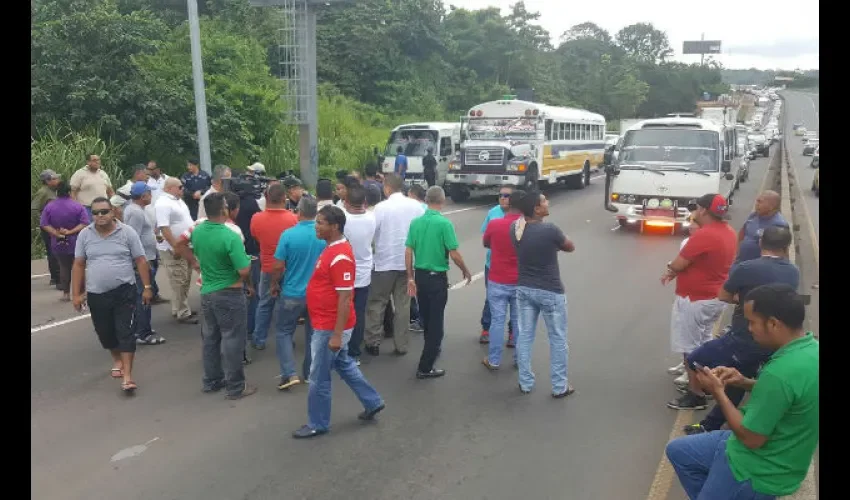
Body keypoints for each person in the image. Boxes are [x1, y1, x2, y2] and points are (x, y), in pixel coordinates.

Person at [666, 284, 818, 499]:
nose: (749, 328)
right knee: (679, 451)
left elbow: (751, 439)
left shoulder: (780, 373)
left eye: (752, 322)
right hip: (777, 454)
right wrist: (743, 381)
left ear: (773, 323)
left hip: (755, 468)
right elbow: (788, 394)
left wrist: (718, 392)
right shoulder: (810, 349)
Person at [681, 226, 799, 432]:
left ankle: (698, 396)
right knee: (736, 381)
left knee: (695, 359)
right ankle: (709, 425)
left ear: (761, 243)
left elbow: (723, 295)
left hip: (745, 336)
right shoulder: (793, 272)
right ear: (787, 246)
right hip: (774, 341)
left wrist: (741, 299)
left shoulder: (746, 268)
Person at [292, 205, 385, 439]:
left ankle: (318, 423)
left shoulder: (341, 255)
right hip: (327, 323)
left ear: (334, 227)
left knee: (318, 376)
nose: (316, 226)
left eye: (321, 223)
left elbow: (345, 298)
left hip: (330, 326)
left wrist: (336, 334)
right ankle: (372, 401)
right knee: (343, 363)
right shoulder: (330, 248)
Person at [663, 194, 738, 409]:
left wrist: (671, 267)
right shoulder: (729, 232)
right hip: (715, 296)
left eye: (696, 208)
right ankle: (707, 383)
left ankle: (695, 394)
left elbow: (677, 264)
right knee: (704, 342)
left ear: (703, 210)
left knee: (691, 349)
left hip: (696, 299)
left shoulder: (704, 235)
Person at [71, 197, 152, 393]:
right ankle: (117, 359)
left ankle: (128, 377)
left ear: (113, 212)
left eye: (104, 211)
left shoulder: (127, 232)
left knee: (126, 332)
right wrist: (76, 293)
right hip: (97, 294)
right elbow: (79, 264)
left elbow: (141, 260)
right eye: (96, 212)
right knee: (105, 333)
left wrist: (147, 287)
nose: (100, 216)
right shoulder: (85, 235)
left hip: (124, 290)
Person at [189, 193, 257, 400]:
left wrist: (196, 263)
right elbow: (244, 270)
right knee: (232, 338)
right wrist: (249, 282)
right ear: (224, 210)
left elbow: (187, 248)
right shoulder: (230, 236)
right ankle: (236, 386)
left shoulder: (198, 231)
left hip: (207, 291)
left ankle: (211, 380)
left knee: (210, 338)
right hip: (229, 291)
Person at [512, 191, 576, 397]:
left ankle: (525, 382)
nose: (547, 202)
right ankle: (559, 386)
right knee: (557, 339)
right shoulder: (550, 230)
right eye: (543, 201)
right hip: (550, 290)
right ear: (536, 209)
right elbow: (570, 247)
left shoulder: (516, 229)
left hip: (524, 289)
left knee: (525, 337)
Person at [406, 186, 472, 379]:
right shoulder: (444, 224)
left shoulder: (415, 223)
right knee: (436, 324)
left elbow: (408, 251)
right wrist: (466, 270)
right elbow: (454, 253)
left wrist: (410, 276)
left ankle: (431, 348)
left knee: (426, 317)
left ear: (426, 200)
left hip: (420, 276)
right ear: (442, 201)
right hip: (436, 278)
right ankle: (425, 366)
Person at [365, 173, 425, 356]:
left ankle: (373, 342)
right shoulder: (417, 207)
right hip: (408, 263)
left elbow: (371, 233)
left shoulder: (381, 208)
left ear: (387, 187)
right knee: (403, 305)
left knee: (377, 303)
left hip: (384, 262)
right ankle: (401, 345)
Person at [270, 197, 326, 389]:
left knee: (284, 331)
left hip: (292, 293)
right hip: (317, 295)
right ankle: (310, 372)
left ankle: (289, 373)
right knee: (313, 334)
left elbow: (277, 266)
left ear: (298, 212)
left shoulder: (288, 235)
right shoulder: (323, 236)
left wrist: (274, 283)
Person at [249, 184, 298, 350]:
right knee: (286, 305)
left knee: (264, 304)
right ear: (284, 198)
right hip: (288, 268)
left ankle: (259, 338)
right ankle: (286, 338)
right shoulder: (292, 219)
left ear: (266, 197)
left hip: (268, 267)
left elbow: (255, 236)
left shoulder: (257, 218)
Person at [481, 189, 525, 370]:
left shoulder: (495, 224)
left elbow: (486, 243)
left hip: (498, 278)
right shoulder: (528, 227)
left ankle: (494, 360)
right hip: (520, 280)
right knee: (518, 321)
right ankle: (519, 359)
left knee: (497, 321)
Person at [122, 182, 165, 345]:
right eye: (149, 193)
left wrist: (154, 238)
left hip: (148, 256)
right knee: (144, 294)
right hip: (143, 260)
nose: (151, 195)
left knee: (146, 292)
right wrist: (142, 261)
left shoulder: (139, 210)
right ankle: (143, 333)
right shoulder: (135, 212)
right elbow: (133, 238)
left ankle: (141, 326)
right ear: (142, 196)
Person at [342, 185, 377, 365]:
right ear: (365, 202)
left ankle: (340, 350)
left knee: (342, 311)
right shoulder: (372, 218)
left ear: (346, 202)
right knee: (359, 313)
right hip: (363, 273)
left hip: (343, 274)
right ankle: (354, 352)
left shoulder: (342, 219)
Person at [155, 177, 197, 324]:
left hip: (185, 246)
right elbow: (164, 228)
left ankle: (179, 306)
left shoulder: (177, 200)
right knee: (178, 279)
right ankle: (182, 312)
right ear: (169, 188)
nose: (182, 189)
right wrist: (176, 246)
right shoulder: (163, 203)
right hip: (173, 248)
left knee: (185, 278)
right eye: (179, 187)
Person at [39, 181, 89, 301]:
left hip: (58, 241)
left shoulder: (50, 206)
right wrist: (70, 231)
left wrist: (56, 233)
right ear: (69, 192)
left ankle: (66, 294)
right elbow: (84, 223)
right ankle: (81, 293)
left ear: (57, 192)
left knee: (63, 267)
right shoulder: (77, 206)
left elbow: (44, 224)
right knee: (79, 266)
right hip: (76, 240)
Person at [479, 185, 515, 345]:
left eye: (506, 195)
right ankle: (486, 328)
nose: (502, 198)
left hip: (516, 267)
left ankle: (513, 333)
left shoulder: (521, 215)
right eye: (500, 195)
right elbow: (486, 239)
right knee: (491, 298)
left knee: (516, 302)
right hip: (492, 264)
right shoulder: (493, 213)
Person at [735, 190, 788, 264]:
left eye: (760, 202)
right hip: (741, 263)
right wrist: (736, 253)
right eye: (757, 201)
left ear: (771, 206)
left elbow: (782, 253)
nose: (756, 204)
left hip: (758, 268)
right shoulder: (754, 215)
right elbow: (742, 233)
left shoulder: (779, 225)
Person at [32, 169, 62, 286]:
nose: (58, 180)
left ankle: (55, 277)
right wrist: (43, 222)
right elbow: (34, 208)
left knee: (53, 250)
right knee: (53, 251)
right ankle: (56, 277)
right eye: (55, 178)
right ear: (47, 181)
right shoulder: (43, 192)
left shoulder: (52, 191)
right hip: (49, 227)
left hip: (54, 225)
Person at [70, 153, 115, 219]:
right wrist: (76, 208)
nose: (97, 162)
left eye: (98, 160)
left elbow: (111, 192)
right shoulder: (79, 173)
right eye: (94, 160)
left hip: (103, 209)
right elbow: (72, 192)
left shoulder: (103, 173)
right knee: (89, 228)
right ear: (88, 162)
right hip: (86, 209)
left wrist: (113, 205)